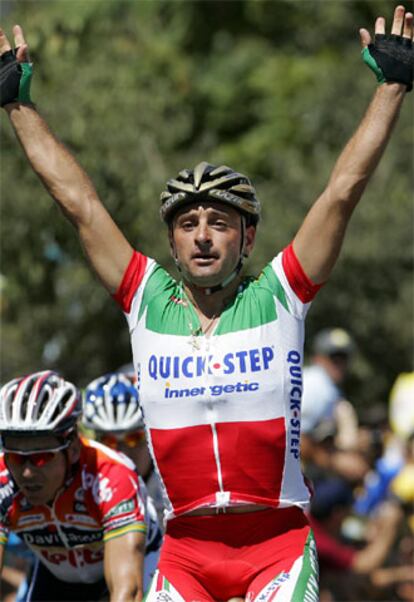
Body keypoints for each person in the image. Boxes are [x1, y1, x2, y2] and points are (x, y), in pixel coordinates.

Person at [0, 5, 412, 601]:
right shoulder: (144, 298)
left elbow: (341, 193)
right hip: (186, 548)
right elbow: (79, 204)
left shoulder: (281, 293)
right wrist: (17, 105)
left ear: (246, 239)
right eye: (187, 223)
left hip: (276, 542)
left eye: (219, 222)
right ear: (171, 240)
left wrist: (392, 89)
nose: (201, 235)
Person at [0, 370, 149, 601]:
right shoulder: (2, 479)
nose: (27, 472)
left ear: (73, 450)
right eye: (16, 458)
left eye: (42, 458)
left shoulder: (110, 474)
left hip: (134, 565)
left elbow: (127, 592)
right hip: (58, 577)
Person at [82, 371, 165, 524]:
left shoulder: (173, 481)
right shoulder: (82, 487)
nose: (123, 452)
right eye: (109, 441)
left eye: (134, 438)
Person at [300, 328, 369, 483]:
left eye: (343, 358)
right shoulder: (318, 386)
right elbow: (295, 437)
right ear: (318, 358)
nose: (339, 364)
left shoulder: (325, 386)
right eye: (333, 357)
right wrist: (336, 462)